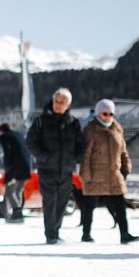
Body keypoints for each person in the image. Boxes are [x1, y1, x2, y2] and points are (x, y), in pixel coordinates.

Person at [25, 88, 84, 244]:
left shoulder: (74, 123)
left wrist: (76, 159)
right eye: (56, 101)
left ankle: (55, 232)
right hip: (47, 170)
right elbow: (30, 142)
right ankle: (50, 235)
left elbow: (81, 144)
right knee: (50, 202)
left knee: (62, 203)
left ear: (68, 104)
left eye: (62, 102)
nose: (58, 105)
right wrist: (44, 157)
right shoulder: (40, 121)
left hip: (66, 170)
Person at [79, 99, 139, 244]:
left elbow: (123, 151)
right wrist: (85, 174)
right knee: (89, 206)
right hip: (95, 175)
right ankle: (86, 234)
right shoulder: (90, 130)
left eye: (110, 113)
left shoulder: (117, 129)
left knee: (120, 206)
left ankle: (124, 234)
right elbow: (85, 154)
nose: (107, 116)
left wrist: (126, 167)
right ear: (98, 113)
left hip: (114, 174)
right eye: (104, 113)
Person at [0, 122, 31, 223]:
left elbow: (7, 153)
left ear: (1, 130)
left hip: (14, 168)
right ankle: (18, 213)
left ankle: (17, 214)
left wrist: (7, 167)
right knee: (18, 191)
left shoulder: (4, 136)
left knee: (9, 191)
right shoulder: (19, 135)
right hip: (26, 166)